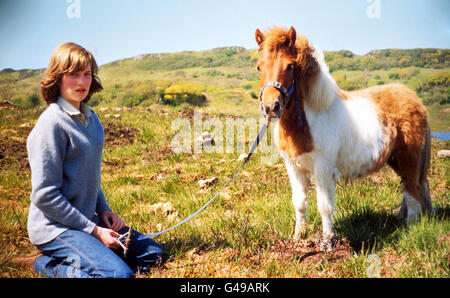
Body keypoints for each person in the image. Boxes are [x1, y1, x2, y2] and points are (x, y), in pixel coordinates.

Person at [9, 42, 164, 278]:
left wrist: (104, 211)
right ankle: (43, 264)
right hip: (55, 228)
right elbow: (45, 196)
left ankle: (92, 255)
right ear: (57, 78)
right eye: (73, 75)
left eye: (87, 74)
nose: (81, 82)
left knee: (153, 253)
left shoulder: (93, 120)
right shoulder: (50, 125)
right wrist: (95, 232)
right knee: (119, 276)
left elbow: (87, 175)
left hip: (85, 221)